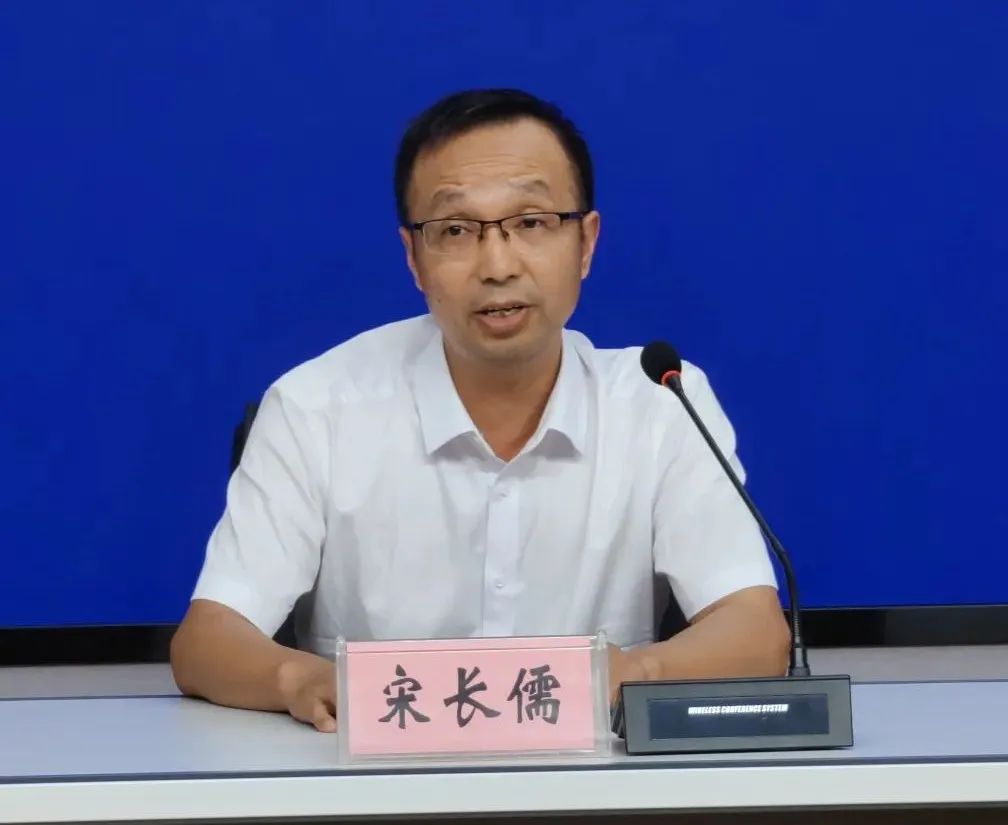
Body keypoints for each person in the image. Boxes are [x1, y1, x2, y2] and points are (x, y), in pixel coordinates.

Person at [170, 89, 790, 733]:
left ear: (585, 243)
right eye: (456, 230)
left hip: (594, 780)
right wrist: (302, 679)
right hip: (370, 780)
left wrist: (631, 674)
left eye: (531, 222)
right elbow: (206, 642)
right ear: (414, 259)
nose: (497, 265)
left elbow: (755, 633)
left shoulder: (660, 402)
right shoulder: (316, 408)